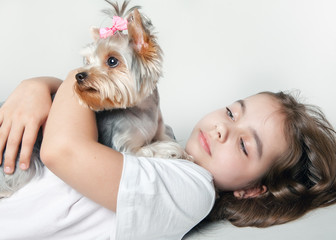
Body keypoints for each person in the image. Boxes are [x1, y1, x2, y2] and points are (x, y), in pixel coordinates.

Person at [0, 70, 336, 239]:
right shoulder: (163, 139)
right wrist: (38, 86)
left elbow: (62, 150)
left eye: (244, 145)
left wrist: (75, 76)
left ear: (251, 189)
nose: (222, 129)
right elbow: (79, 114)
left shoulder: (191, 190)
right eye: (232, 113)